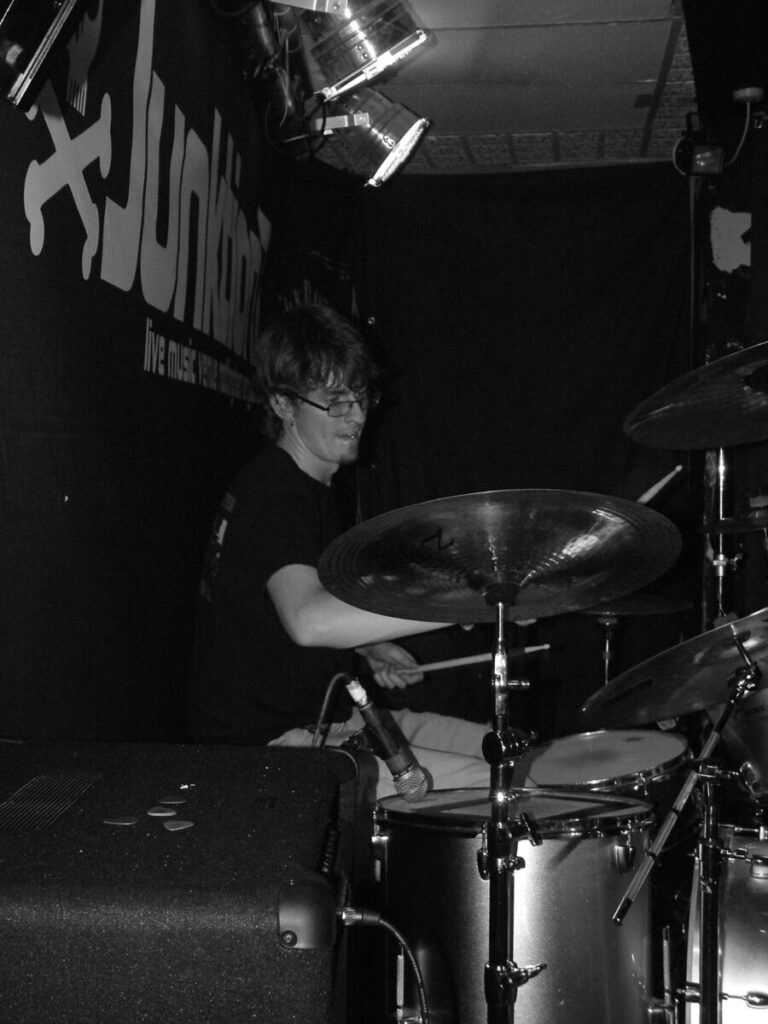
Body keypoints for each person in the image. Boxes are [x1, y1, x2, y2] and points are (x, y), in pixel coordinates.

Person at [188, 303, 490, 798]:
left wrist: (367, 647)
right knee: (490, 786)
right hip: (273, 745)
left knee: (498, 752)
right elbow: (309, 622)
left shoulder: (304, 485)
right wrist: (463, 599)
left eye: (361, 396)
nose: (357, 416)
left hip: (332, 716)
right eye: (335, 402)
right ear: (283, 405)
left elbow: (272, 615)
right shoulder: (277, 495)